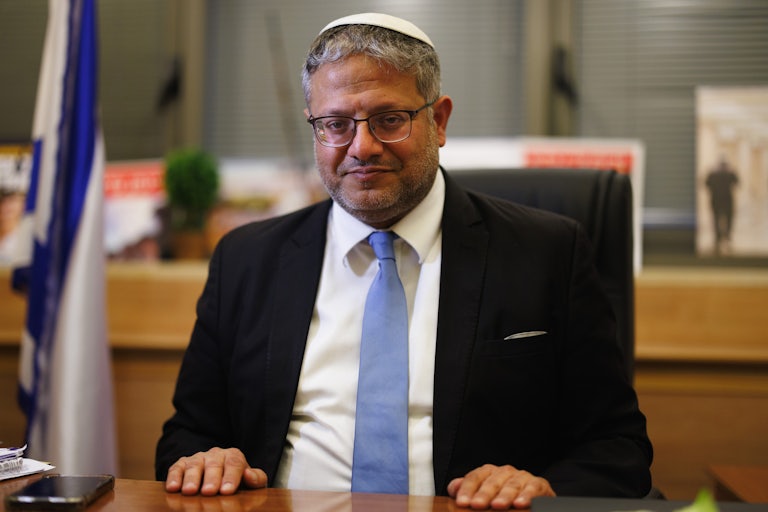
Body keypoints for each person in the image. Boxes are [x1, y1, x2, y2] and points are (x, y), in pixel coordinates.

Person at [155, 13, 653, 510]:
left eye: (389, 119)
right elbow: (189, 433)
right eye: (335, 124)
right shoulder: (247, 260)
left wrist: (544, 490)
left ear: (438, 121)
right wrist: (207, 460)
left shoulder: (547, 253)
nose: (362, 147)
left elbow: (617, 448)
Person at [705, 157, 739, 255]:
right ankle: (726, 237)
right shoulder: (730, 173)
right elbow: (737, 182)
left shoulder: (713, 174)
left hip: (716, 200)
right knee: (728, 219)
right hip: (727, 200)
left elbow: (706, 184)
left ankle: (718, 238)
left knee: (716, 220)